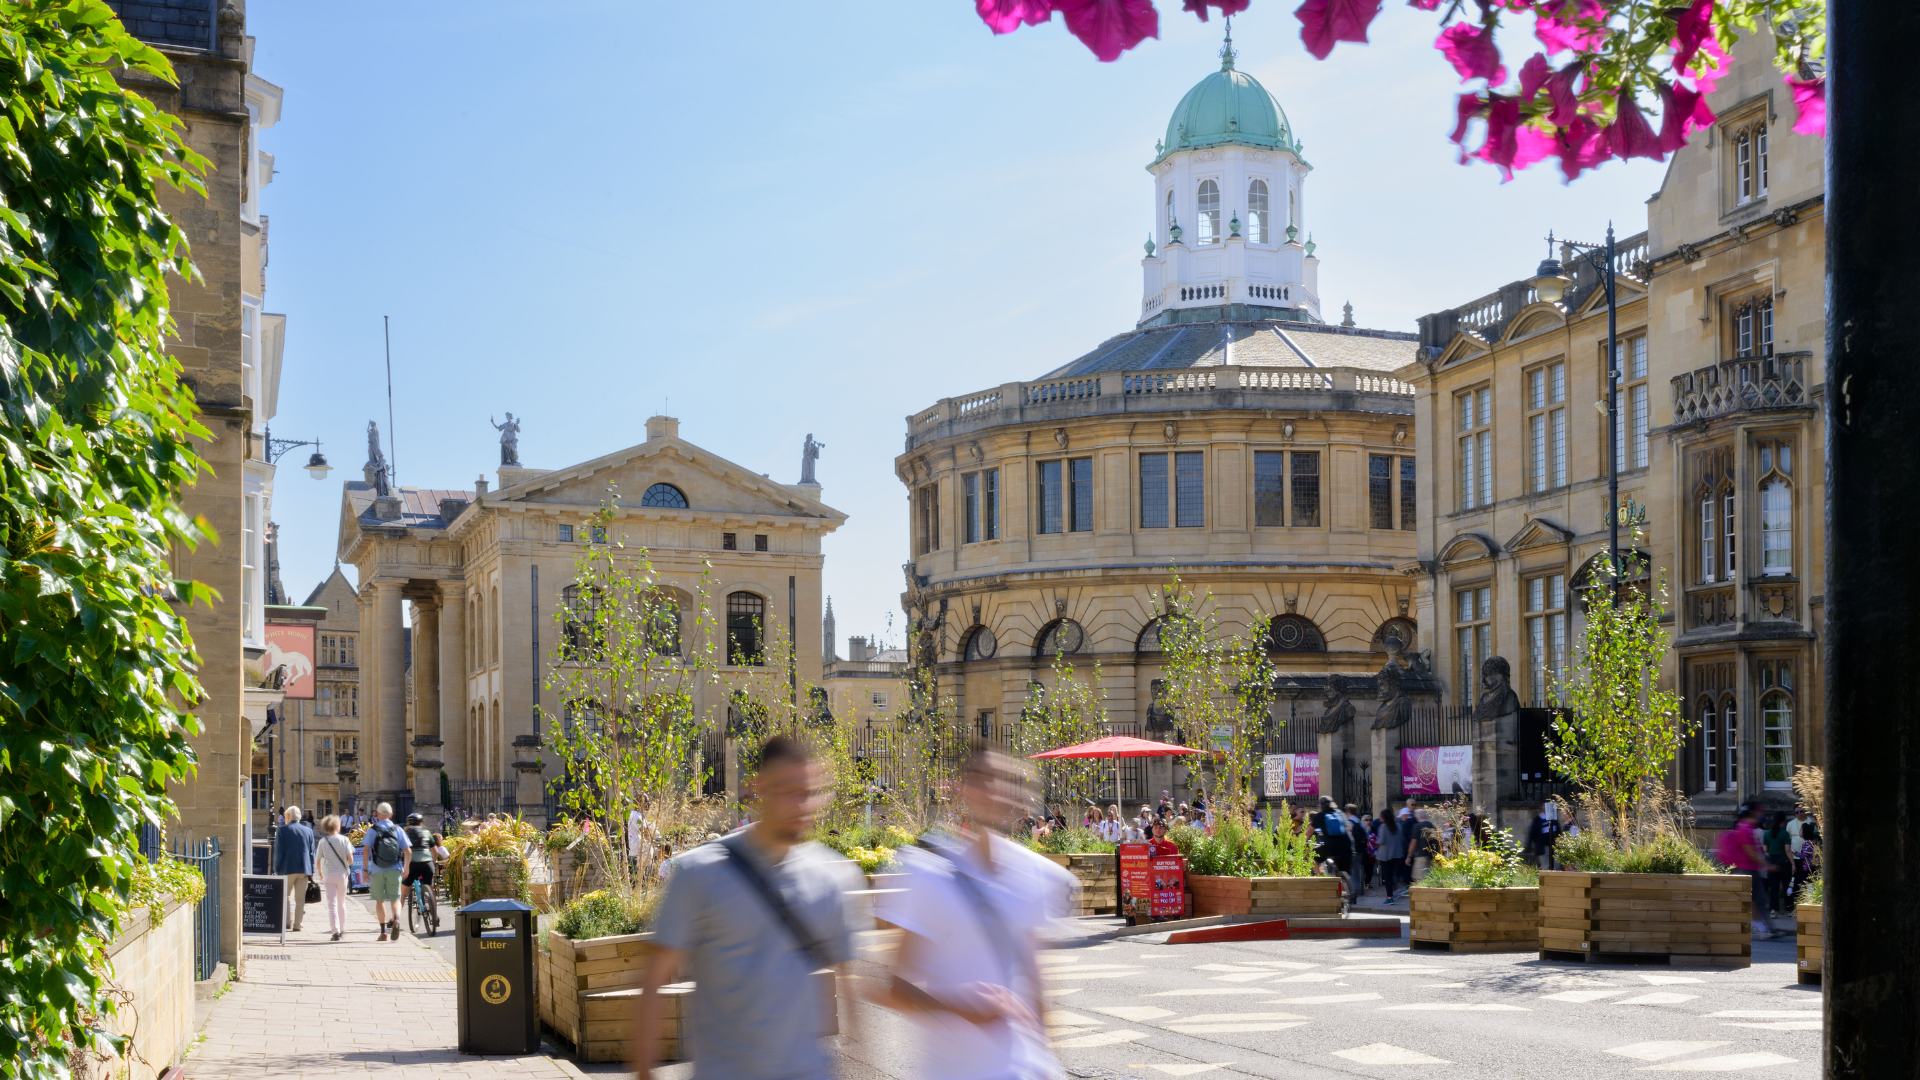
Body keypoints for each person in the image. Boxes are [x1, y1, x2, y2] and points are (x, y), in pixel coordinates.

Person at [634, 736, 861, 1078]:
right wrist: (643, 1070)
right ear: (758, 788)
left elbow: (850, 991)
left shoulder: (832, 877)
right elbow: (654, 981)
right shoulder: (701, 874)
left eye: (808, 792)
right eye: (787, 790)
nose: (800, 805)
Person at [877, 746, 1078, 1080]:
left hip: (1023, 1068)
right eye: (982, 780)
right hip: (955, 1070)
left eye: (1001, 780)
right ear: (962, 790)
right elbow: (895, 991)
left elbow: (1036, 980)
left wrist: (1048, 1056)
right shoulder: (930, 875)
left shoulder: (1033, 873)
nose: (992, 790)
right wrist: (960, 1007)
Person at [361, 802, 412, 941]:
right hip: (395, 868)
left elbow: (366, 851)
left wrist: (365, 870)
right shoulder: (397, 829)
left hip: (377, 869)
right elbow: (408, 851)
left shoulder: (373, 830)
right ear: (391, 815)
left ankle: (383, 931)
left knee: (380, 901)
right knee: (395, 899)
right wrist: (406, 868)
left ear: (377, 814)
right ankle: (396, 919)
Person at [273, 806, 316, 932]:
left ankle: (287, 922)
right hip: (304, 868)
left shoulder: (282, 830)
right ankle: (298, 924)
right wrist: (311, 871)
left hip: (287, 868)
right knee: (300, 898)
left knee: (285, 896)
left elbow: (279, 852)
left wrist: (277, 869)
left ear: (288, 816)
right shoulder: (308, 831)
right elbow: (311, 853)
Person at [315, 815, 354, 941]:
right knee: (341, 902)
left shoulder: (323, 841)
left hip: (328, 875)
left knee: (332, 905)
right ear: (337, 826)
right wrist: (343, 866)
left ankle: (335, 932)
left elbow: (318, 861)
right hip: (342, 874)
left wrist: (321, 873)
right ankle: (342, 929)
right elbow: (351, 859)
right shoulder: (344, 840)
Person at [401, 813, 445, 913]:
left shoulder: (405, 833)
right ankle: (435, 917)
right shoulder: (427, 832)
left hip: (412, 864)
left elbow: (402, 849)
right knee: (431, 891)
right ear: (421, 823)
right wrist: (434, 862)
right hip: (427, 864)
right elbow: (435, 851)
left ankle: (395, 919)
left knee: (403, 894)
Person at [1762, 811, 1793, 916]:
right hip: (1783, 862)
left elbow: (1765, 849)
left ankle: (1773, 910)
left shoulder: (1766, 834)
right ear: (1783, 821)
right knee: (1787, 887)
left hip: (1771, 861)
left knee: (1773, 888)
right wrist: (1793, 864)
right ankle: (1789, 909)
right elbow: (1787, 850)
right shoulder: (1785, 834)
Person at [1374, 809, 1408, 903]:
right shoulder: (1398, 825)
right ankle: (1396, 884)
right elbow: (1402, 839)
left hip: (1385, 855)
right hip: (1397, 854)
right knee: (1394, 872)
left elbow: (1382, 840)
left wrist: (1374, 841)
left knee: (1387, 877)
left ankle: (1390, 897)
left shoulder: (1383, 827)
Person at [1524, 804, 1561, 870]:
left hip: (1554, 846)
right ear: (1541, 806)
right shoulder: (1538, 819)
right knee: (1546, 867)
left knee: (1556, 866)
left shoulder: (1553, 818)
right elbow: (1532, 834)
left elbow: (1558, 831)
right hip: (1543, 848)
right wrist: (1528, 848)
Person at [1405, 809, 1437, 882]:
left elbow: (1413, 842)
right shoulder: (1431, 825)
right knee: (1430, 877)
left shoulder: (1416, 826)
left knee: (1418, 878)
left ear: (1416, 817)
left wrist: (1409, 856)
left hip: (1420, 856)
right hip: (1431, 855)